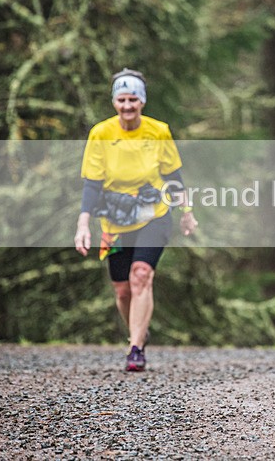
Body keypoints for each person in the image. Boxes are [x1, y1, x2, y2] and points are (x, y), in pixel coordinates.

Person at [74, 68, 197, 372]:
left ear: (142, 101)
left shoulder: (158, 131)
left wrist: (187, 212)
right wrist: (83, 223)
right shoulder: (101, 133)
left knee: (140, 274)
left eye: (133, 99)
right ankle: (138, 330)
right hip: (114, 222)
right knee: (122, 289)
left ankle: (135, 347)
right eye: (122, 99)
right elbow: (92, 184)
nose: (127, 106)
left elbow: (173, 176)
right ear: (114, 102)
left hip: (153, 214)